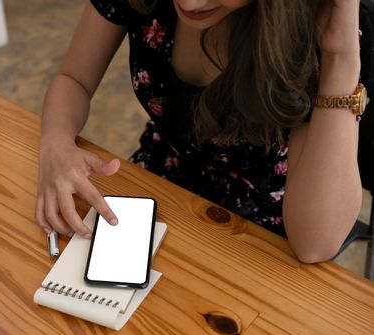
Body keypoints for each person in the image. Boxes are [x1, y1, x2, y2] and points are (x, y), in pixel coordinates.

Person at [36, 0, 371, 263]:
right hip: (159, 184)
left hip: (267, 227)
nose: (190, 4)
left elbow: (314, 245)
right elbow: (74, 80)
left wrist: (340, 59)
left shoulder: (318, 29)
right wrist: (56, 141)